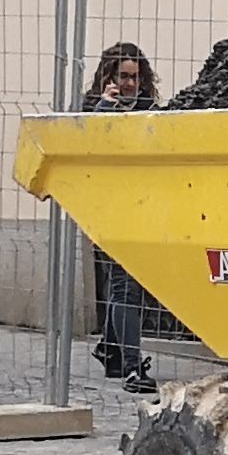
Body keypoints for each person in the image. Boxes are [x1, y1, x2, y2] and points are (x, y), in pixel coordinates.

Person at [83, 43, 161, 392]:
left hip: (143, 204)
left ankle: (109, 349)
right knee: (124, 283)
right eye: (123, 76)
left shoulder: (149, 109)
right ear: (108, 77)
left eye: (135, 76)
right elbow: (87, 146)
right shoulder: (93, 109)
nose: (130, 83)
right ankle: (132, 368)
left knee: (129, 282)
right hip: (108, 207)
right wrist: (104, 108)